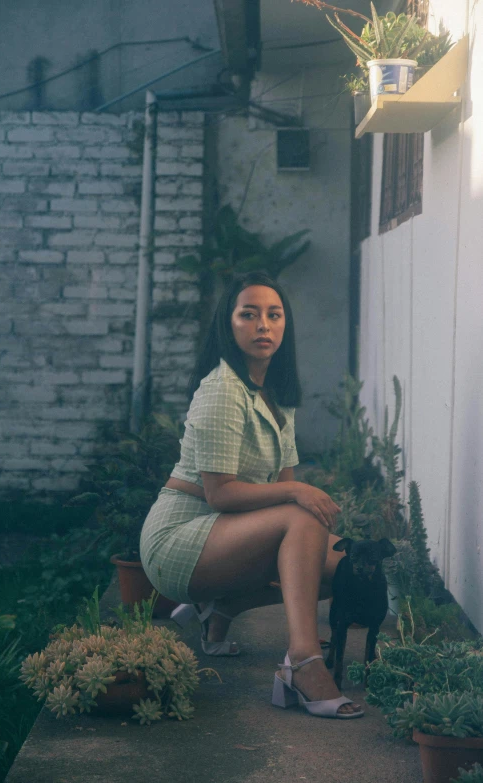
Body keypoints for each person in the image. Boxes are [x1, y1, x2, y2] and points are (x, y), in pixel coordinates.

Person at [140, 271, 363, 719]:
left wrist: (295, 492)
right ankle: (302, 661)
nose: (264, 324)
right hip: (180, 538)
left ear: (285, 326)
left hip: (228, 534)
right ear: (229, 324)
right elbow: (220, 493)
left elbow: (280, 493)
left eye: (274, 315)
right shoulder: (222, 389)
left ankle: (223, 607)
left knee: (352, 567)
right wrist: (299, 490)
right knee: (303, 521)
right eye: (250, 314)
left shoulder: (277, 395)